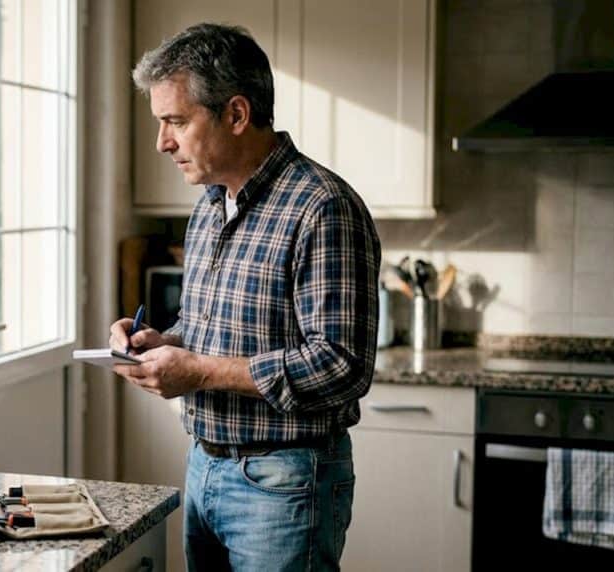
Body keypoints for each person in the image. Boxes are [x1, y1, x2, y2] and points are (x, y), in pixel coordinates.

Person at [109, 23, 381, 572]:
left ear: (236, 114)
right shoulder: (211, 204)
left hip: (285, 483)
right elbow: (207, 325)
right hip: (204, 467)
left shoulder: (322, 207)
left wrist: (200, 371)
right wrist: (163, 342)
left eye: (176, 122)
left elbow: (342, 366)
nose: (163, 142)